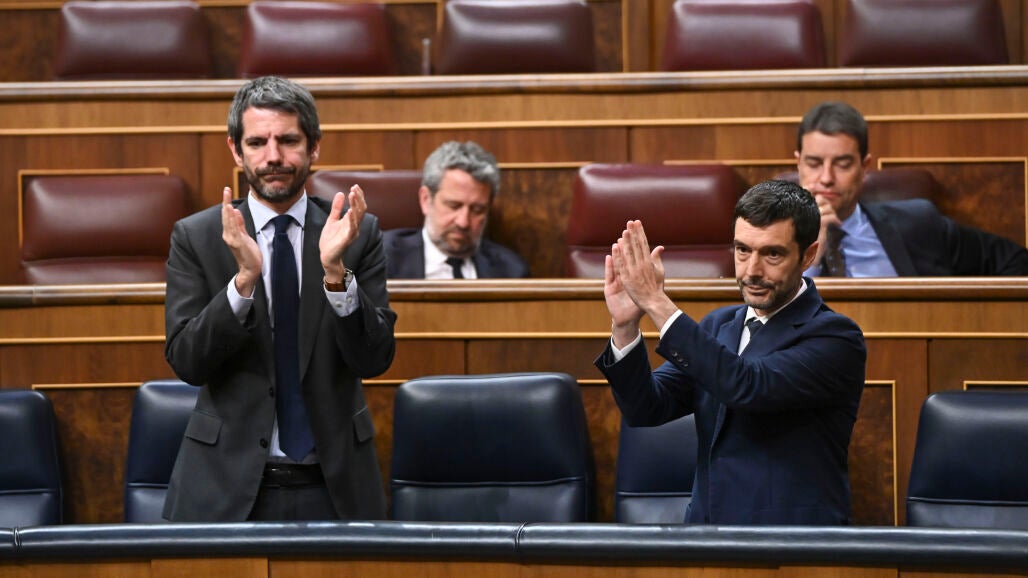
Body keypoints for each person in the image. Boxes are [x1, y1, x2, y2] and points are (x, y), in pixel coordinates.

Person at [163, 76, 395, 522]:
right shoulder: (198, 236)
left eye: (288, 141)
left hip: (335, 486)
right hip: (223, 487)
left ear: (314, 147)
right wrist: (243, 283)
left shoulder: (355, 233)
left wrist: (335, 274)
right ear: (236, 150)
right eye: (257, 142)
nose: (273, 157)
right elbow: (187, 362)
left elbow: (375, 359)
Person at [597, 179, 866, 525]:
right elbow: (646, 408)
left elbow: (747, 385)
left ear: (808, 255)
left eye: (772, 254)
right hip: (708, 538)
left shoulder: (836, 338)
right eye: (742, 250)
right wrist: (625, 326)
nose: (752, 271)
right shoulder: (718, 326)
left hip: (791, 543)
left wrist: (656, 302)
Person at [796, 101, 1028, 276]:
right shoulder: (775, 238)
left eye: (843, 164)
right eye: (814, 163)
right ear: (799, 164)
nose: (826, 178)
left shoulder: (918, 223)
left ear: (864, 167)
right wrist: (808, 256)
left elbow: (1015, 260)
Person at [383, 141, 529, 279]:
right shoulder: (380, 258)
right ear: (426, 200)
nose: (463, 222)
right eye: (453, 206)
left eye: (477, 210)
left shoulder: (511, 270)